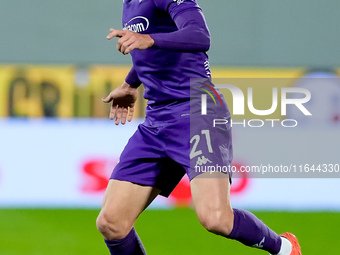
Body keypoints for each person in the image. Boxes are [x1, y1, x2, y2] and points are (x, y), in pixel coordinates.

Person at [96, 0, 302, 254]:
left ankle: (284, 249)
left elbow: (199, 35)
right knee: (111, 222)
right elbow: (150, 50)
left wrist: (149, 38)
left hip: (198, 111)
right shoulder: (129, 3)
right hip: (157, 120)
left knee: (216, 219)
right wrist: (130, 84)